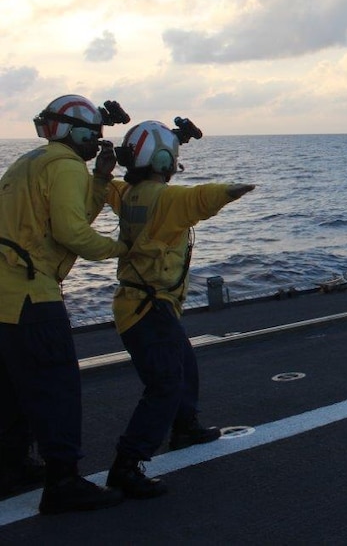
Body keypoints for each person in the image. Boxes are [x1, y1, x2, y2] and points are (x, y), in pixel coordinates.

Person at [104, 119, 254, 499]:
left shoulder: (128, 193)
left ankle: (185, 426)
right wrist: (235, 190)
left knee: (183, 363)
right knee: (165, 384)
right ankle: (127, 464)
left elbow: (108, 189)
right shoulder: (163, 199)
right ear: (163, 159)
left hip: (139, 304)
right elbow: (198, 198)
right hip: (149, 307)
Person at [0, 94, 129, 513]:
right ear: (76, 133)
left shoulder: (31, 163)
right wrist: (122, 248)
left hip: (4, 297)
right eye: (95, 136)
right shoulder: (67, 167)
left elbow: (63, 219)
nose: (99, 144)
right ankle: (63, 483)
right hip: (30, 294)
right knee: (57, 386)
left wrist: (99, 181)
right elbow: (73, 233)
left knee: (13, 389)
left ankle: (12, 468)